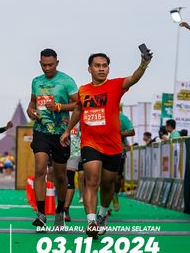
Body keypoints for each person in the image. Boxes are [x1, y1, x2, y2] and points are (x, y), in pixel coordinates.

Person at [61, 49, 153, 238]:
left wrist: (143, 64)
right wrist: (67, 130)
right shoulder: (83, 90)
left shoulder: (116, 85)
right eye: (97, 66)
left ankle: (102, 214)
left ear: (108, 69)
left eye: (104, 66)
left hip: (112, 145)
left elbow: (133, 78)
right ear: (90, 69)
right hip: (90, 143)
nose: (101, 69)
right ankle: (91, 221)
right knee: (91, 180)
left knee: (108, 184)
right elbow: (78, 110)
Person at [26, 48, 79, 229]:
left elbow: (78, 105)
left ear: (57, 63)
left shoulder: (67, 81)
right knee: (40, 169)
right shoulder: (36, 81)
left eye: (50, 65)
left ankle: (60, 210)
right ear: (40, 63)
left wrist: (58, 107)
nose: (47, 68)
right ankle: (41, 214)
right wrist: (30, 110)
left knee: (60, 175)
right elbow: (32, 102)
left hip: (61, 134)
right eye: (44, 65)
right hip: (41, 130)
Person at [113, 110, 135, 212]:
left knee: (117, 178)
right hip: (103, 150)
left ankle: (115, 195)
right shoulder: (101, 114)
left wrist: (118, 134)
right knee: (105, 179)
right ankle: (105, 206)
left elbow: (132, 131)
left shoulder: (121, 117)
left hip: (119, 151)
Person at [63, 124, 82, 222]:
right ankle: (64, 208)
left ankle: (65, 209)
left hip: (81, 150)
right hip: (66, 150)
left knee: (72, 178)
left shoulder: (83, 116)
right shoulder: (63, 116)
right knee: (65, 179)